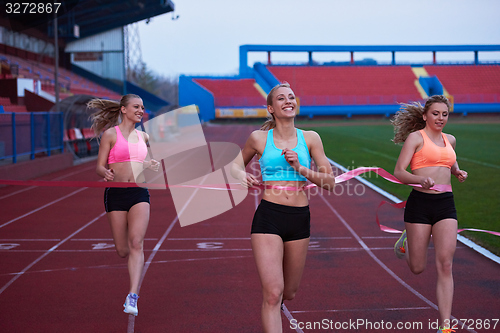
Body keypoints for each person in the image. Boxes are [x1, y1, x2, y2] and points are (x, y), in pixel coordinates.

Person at [233, 83, 335, 332]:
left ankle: (277, 305)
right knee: (272, 293)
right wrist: (240, 176)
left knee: (288, 291)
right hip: (269, 217)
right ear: (271, 108)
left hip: (299, 217)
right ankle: (272, 306)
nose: (288, 101)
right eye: (281, 98)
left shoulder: (310, 138)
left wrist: (301, 167)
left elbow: (330, 182)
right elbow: (233, 165)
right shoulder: (259, 138)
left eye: (291, 97)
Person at [391, 95, 468, 333]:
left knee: (445, 264)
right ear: (425, 115)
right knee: (417, 267)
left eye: (444, 114)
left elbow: (448, 162)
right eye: (436, 113)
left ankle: (445, 326)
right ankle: (407, 238)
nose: (440, 118)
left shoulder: (451, 140)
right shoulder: (416, 138)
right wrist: (419, 179)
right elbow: (399, 172)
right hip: (420, 204)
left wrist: (457, 172)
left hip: (446, 204)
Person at [89, 94, 159, 316]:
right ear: (123, 110)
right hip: (116, 194)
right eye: (136, 107)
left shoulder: (144, 137)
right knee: (122, 250)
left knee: (137, 242)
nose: (141, 110)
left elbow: (142, 163)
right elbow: (99, 166)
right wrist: (105, 172)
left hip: (139, 193)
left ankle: (132, 296)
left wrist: (150, 164)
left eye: (142, 107)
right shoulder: (110, 134)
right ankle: (132, 259)